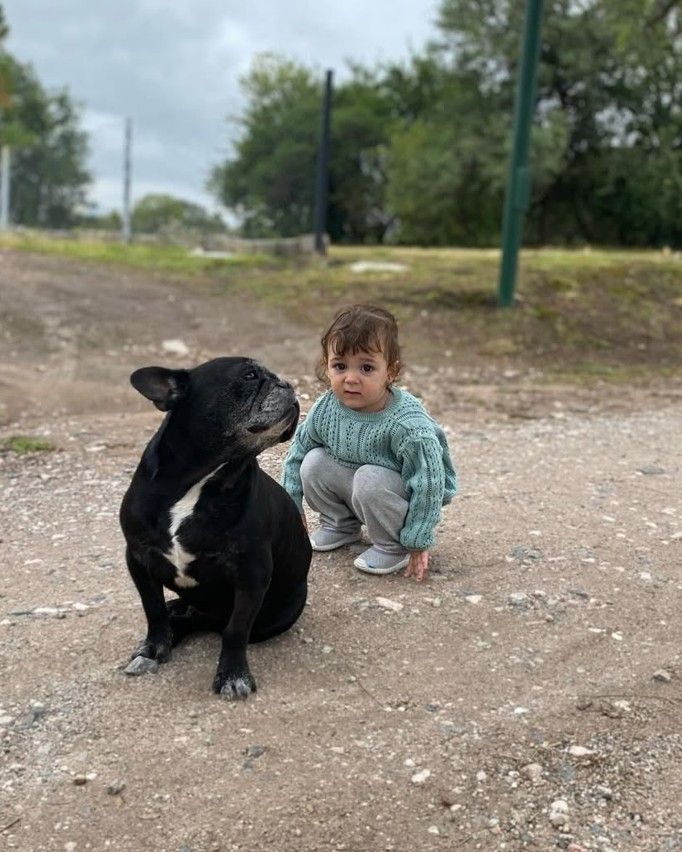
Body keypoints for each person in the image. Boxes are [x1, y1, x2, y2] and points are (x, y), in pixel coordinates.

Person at [281, 304, 456, 583]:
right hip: (361, 490)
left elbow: (429, 483)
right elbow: (296, 455)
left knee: (369, 476)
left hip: (399, 498)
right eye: (340, 366)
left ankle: (391, 545)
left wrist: (418, 538)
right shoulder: (327, 407)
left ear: (390, 371)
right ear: (327, 365)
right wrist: (290, 510)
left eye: (366, 367)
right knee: (313, 462)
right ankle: (340, 525)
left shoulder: (407, 424)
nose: (351, 378)